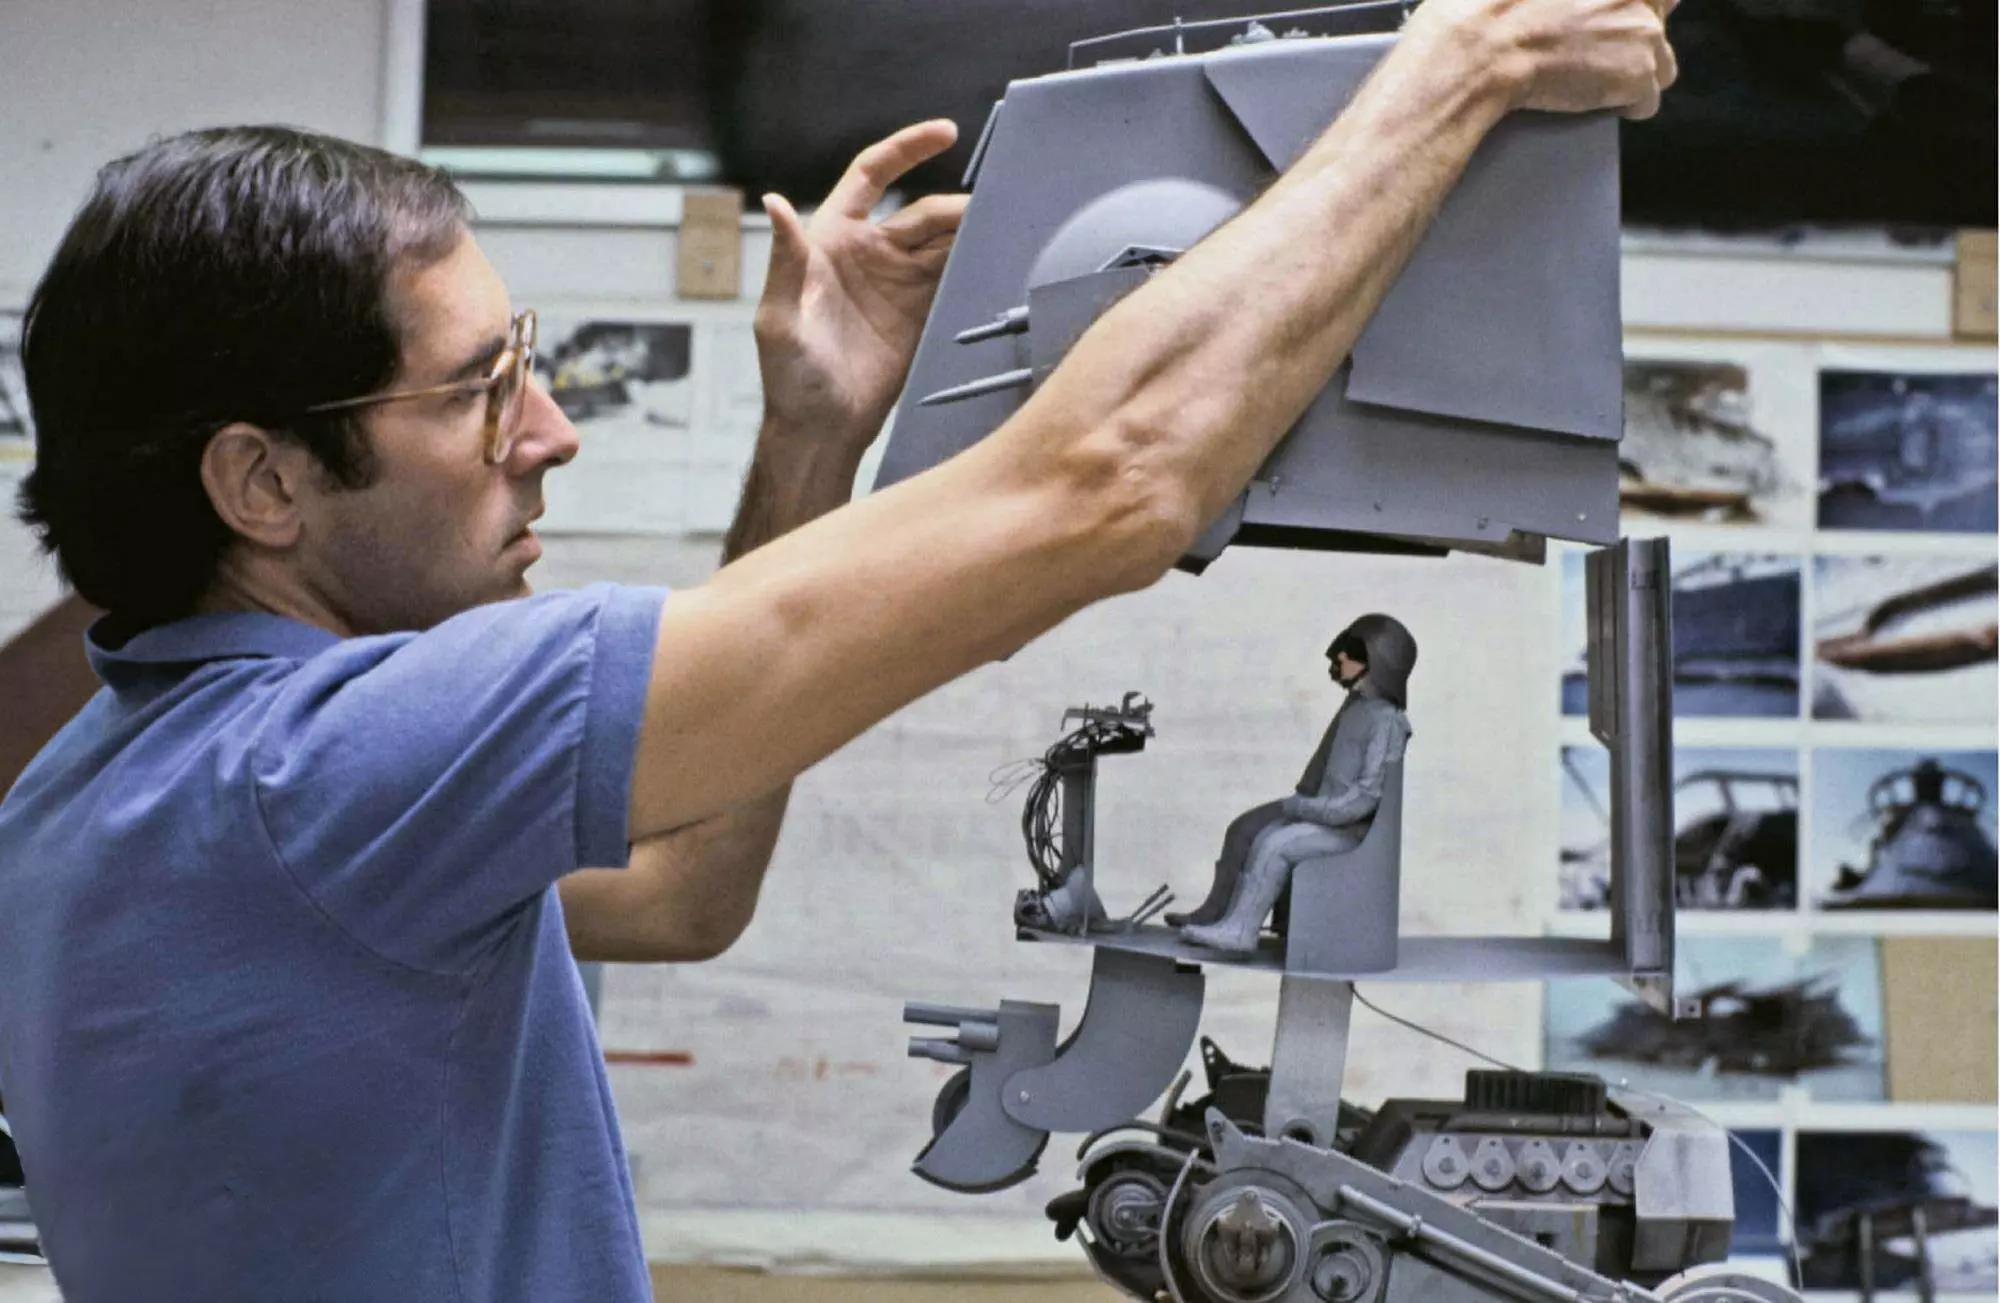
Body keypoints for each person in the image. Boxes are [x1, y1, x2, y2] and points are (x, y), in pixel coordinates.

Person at [0, 1, 1677, 1298]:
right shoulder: (336, 762)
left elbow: (680, 886)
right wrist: (1466, 60)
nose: (552, 432)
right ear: (262, 483)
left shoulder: (115, 795)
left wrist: (811, 438)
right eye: (479, 390)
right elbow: (1113, 483)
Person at [1178, 615, 1416, 955]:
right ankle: (1225, 917)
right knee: (1256, 831)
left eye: (1352, 652)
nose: (1340, 657)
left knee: (1275, 844)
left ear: (1379, 661)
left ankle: (1241, 931)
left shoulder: (1387, 722)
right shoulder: (1358, 709)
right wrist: (1306, 805)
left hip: (1351, 832)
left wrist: (1306, 809)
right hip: (1329, 818)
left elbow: (1364, 798)